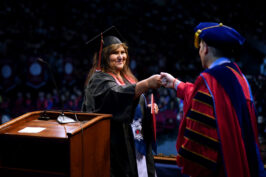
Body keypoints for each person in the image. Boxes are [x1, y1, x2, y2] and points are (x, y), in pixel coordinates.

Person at [161, 22, 265, 177]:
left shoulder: (209, 79)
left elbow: (200, 143)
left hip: (223, 167)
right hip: (244, 161)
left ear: (205, 48)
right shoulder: (239, 76)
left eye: (200, 47)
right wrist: (176, 84)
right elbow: (214, 103)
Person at [82, 26, 161, 177]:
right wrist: (146, 84)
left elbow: (131, 104)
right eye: (114, 53)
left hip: (137, 145)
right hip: (117, 150)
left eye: (123, 52)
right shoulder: (99, 80)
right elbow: (116, 97)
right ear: (104, 56)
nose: (120, 57)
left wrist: (146, 108)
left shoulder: (127, 78)